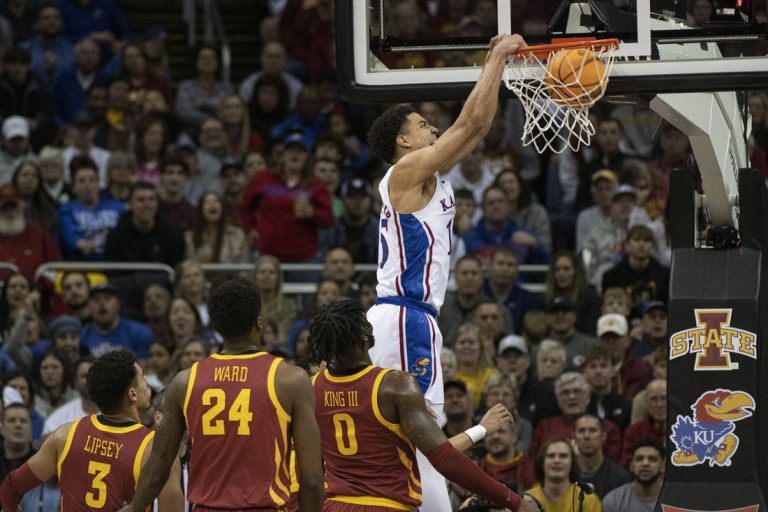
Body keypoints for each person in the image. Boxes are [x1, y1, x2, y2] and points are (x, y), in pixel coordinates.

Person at [306, 299, 537, 512]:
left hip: (333, 505)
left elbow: (309, 469)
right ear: (364, 336)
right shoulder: (394, 385)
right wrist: (512, 500)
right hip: (386, 504)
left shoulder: (312, 388)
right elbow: (444, 459)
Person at [124, 278, 324, 511]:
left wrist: (135, 508)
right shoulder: (290, 379)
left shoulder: (185, 381)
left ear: (217, 327)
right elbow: (311, 479)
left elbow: (158, 466)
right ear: (259, 321)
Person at [0, 350, 182, 510]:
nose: (147, 383)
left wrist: (11, 509)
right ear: (132, 394)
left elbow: (11, 487)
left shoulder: (66, 435)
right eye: (142, 378)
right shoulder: (156, 450)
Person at [527, 438, 602, 512]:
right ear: (542, 463)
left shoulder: (588, 500)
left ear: (572, 463)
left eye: (563, 456)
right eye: (551, 456)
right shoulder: (527, 500)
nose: (556, 461)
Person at [602, 439, 664, 512]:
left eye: (652, 459)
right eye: (639, 459)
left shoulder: (676, 499)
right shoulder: (614, 500)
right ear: (631, 465)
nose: (645, 463)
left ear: (662, 466)